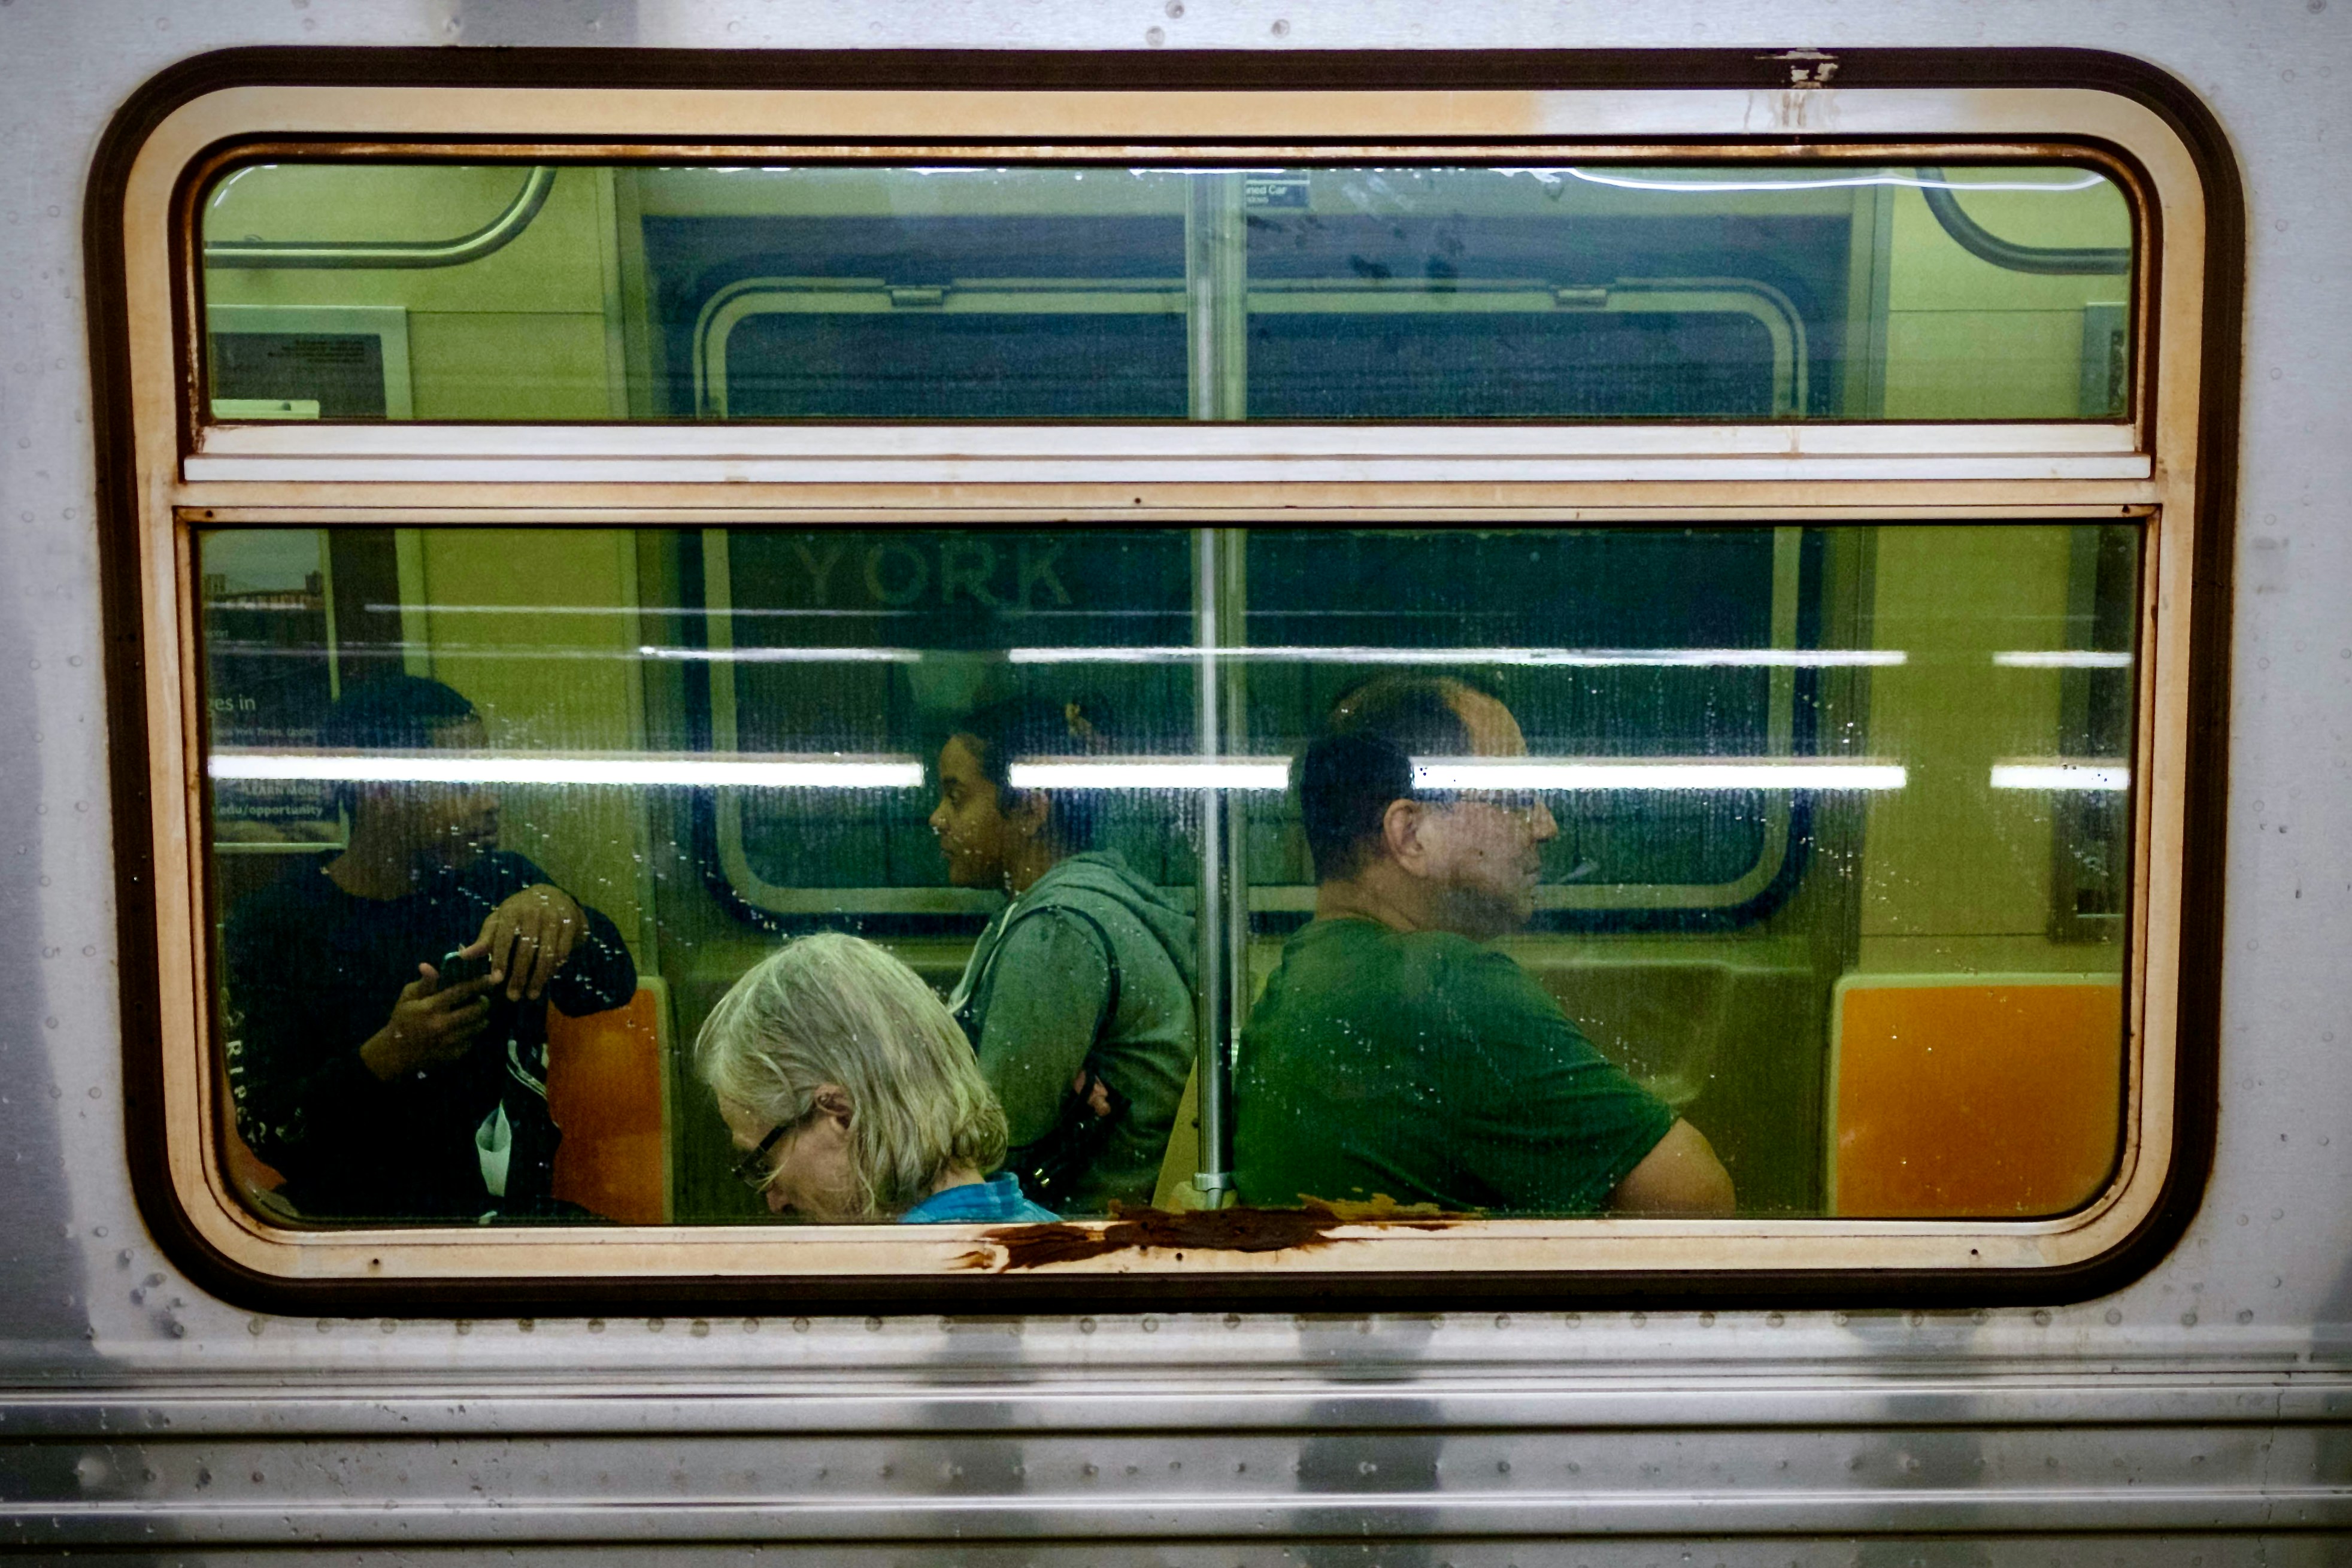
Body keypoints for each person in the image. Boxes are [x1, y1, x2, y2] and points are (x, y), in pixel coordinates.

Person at [1233, 674, 1736, 1217]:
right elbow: (1696, 1199)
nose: (1547, 826)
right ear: (1411, 834)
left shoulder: (1304, 972)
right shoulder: (1445, 985)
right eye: (1517, 799)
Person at [223, 675, 637, 1221]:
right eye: (460, 783)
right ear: (380, 790)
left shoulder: (500, 883)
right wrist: (389, 1055)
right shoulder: (274, 923)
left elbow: (608, 989)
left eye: (487, 779)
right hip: (351, 1223)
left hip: (505, 1215)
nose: (490, 803)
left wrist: (569, 917)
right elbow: (272, 1134)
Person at [928, 694, 1196, 1214]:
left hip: (1077, 1231)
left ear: (1030, 808)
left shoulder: (1058, 932)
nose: (937, 818)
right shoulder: (1095, 899)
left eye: (957, 798)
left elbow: (993, 1140)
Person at [699, 932, 1059, 1224]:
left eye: (763, 1164)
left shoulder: (886, 1281)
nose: (775, 1201)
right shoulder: (1056, 1237)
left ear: (843, 1114)